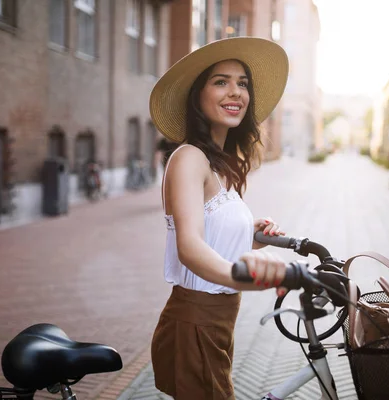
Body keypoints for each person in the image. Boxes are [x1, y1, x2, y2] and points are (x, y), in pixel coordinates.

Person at [148, 37, 290, 399]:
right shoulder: (188, 158)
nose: (236, 92)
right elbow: (190, 247)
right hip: (194, 323)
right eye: (221, 81)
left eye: (243, 83)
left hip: (218, 323)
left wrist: (251, 236)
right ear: (198, 95)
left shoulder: (221, 165)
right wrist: (246, 274)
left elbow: (212, 234)